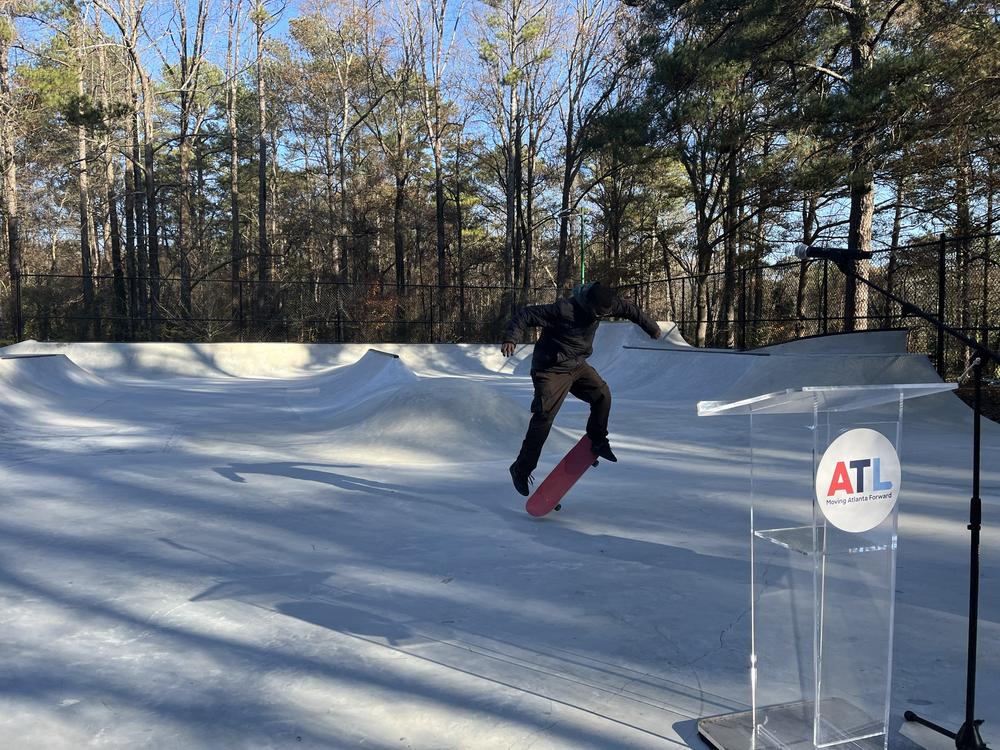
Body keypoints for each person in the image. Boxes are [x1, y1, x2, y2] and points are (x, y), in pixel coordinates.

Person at [500, 281, 662, 496]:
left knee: (602, 395)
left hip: (577, 365)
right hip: (550, 370)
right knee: (543, 418)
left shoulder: (610, 304)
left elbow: (631, 310)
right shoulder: (564, 309)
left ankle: (597, 439)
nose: (599, 317)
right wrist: (512, 338)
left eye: (604, 314)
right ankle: (521, 468)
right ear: (588, 303)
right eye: (597, 313)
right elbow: (525, 315)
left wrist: (651, 328)